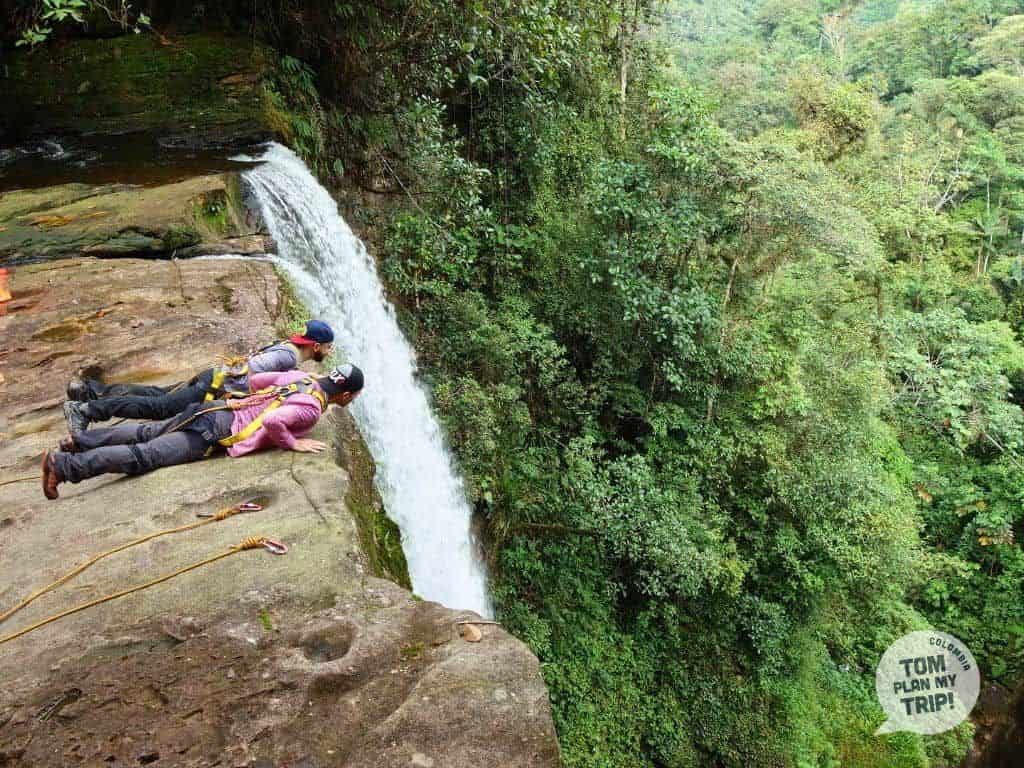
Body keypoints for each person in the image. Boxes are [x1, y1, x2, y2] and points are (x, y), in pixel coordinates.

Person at [41, 364, 365, 500]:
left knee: (146, 433)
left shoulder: (301, 377)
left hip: (213, 410)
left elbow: (257, 382)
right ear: (347, 395)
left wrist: (251, 405)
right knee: (145, 455)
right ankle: (64, 467)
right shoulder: (311, 406)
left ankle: (78, 441)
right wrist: (293, 443)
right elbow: (273, 422)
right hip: (214, 431)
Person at [62, 320, 336, 434]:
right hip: (215, 386)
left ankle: (90, 391)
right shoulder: (289, 357)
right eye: (327, 347)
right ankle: (85, 410)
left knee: (157, 395)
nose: (329, 351)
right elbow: (252, 371)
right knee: (159, 408)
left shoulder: (288, 349)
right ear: (315, 346)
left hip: (213, 379)